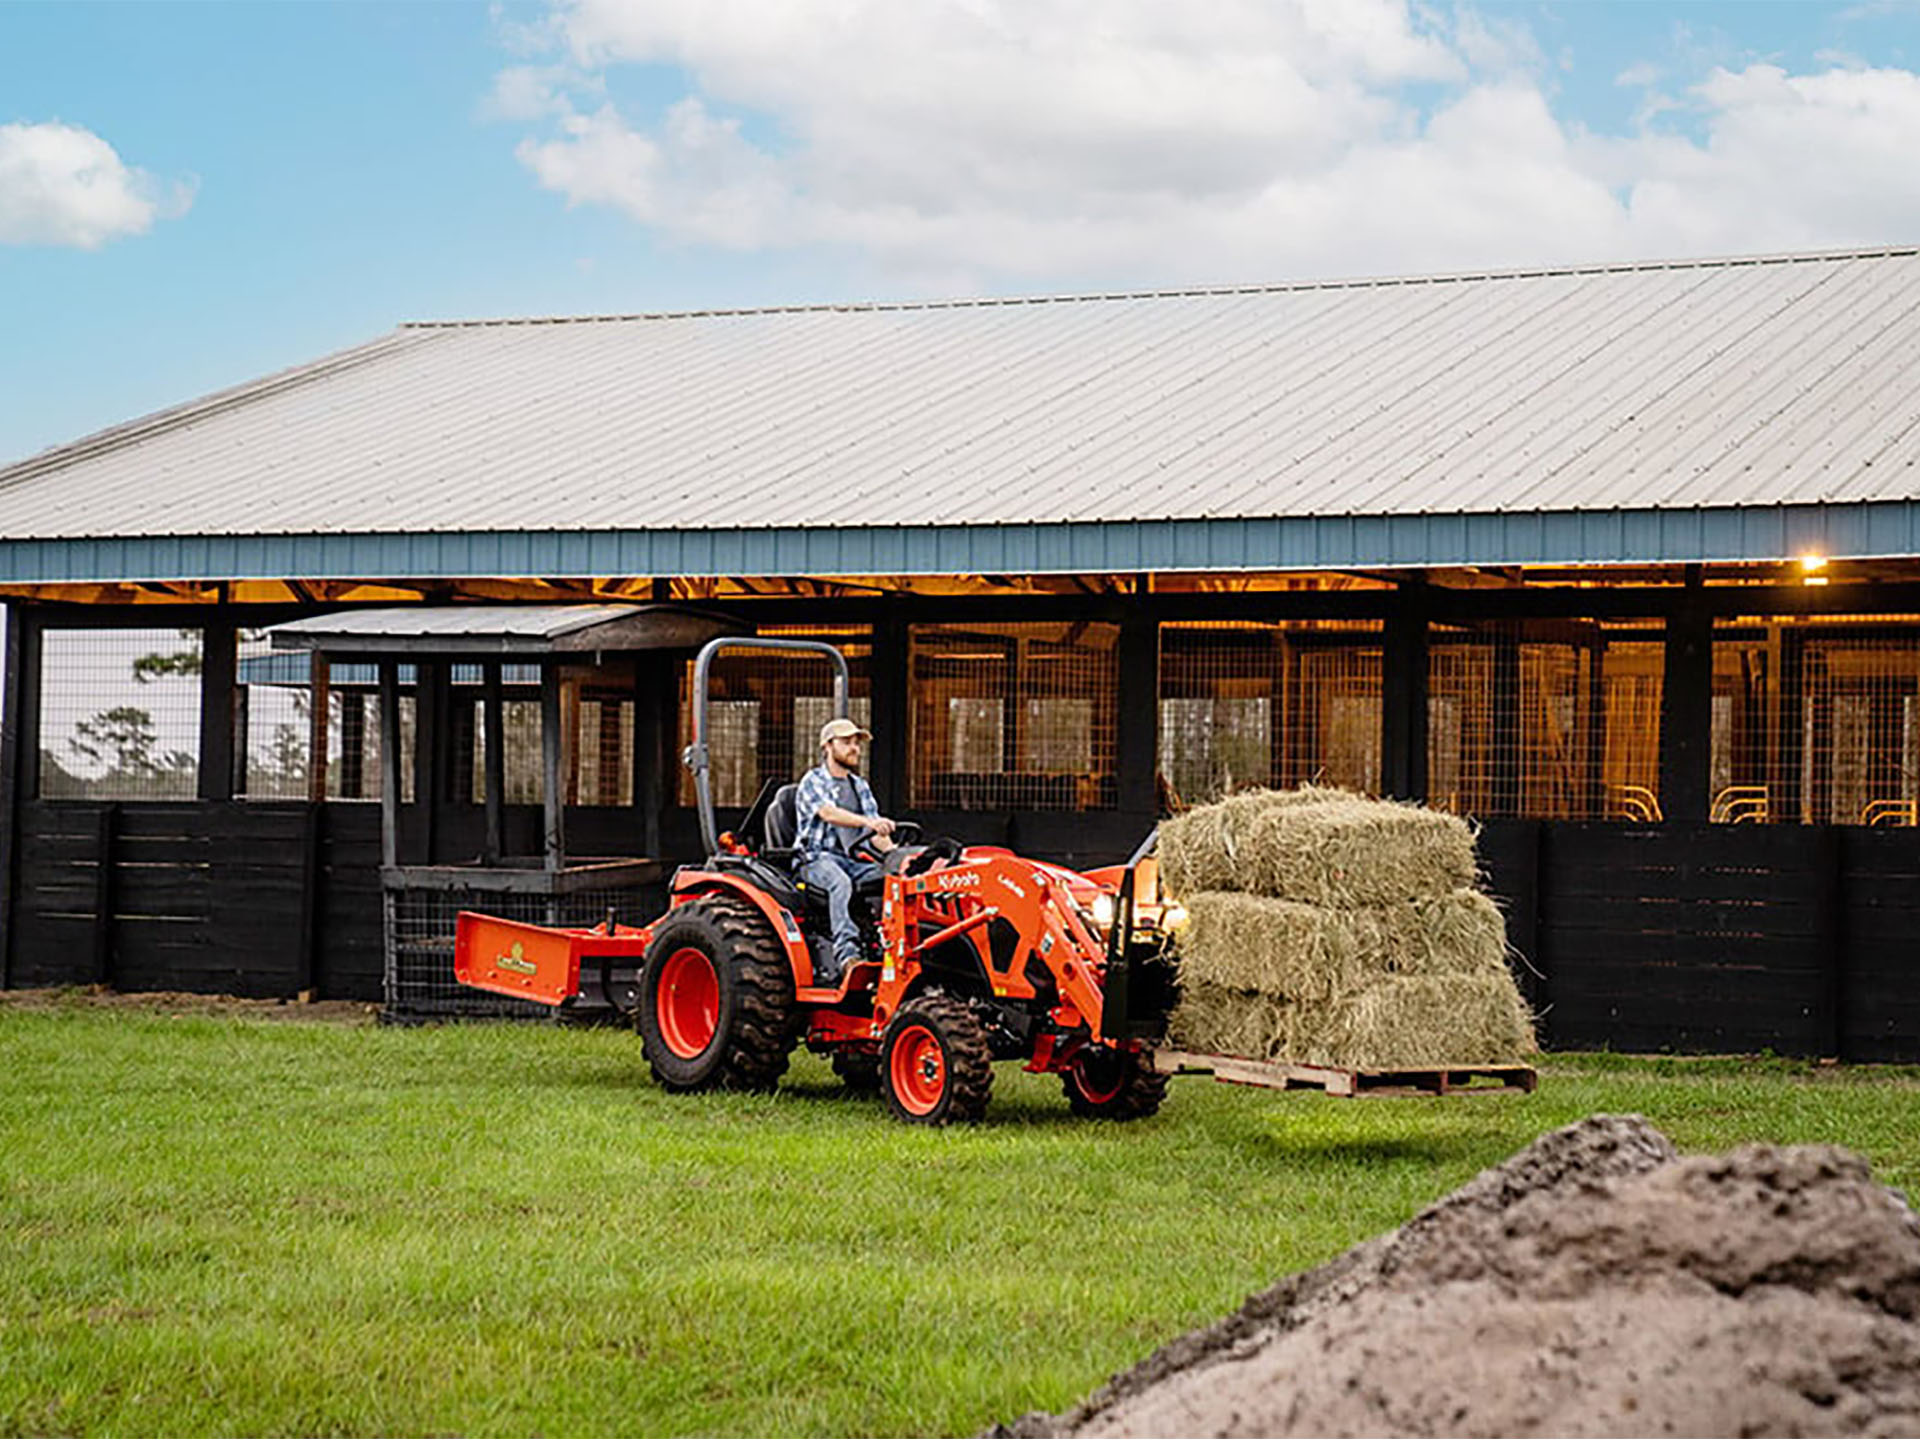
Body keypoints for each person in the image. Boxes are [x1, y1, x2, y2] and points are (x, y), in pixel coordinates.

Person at [795, 716, 898, 984]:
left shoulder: (859, 786)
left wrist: (897, 857)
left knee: (890, 880)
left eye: (857, 743)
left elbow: (876, 836)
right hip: (815, 859)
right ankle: (847, 955)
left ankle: (890, 947)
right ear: (827, 746)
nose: (855, 748)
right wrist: (868, 822)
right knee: (839, 882)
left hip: (850, 860)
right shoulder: (813, 781)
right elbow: (828, 813)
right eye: (847, 742)